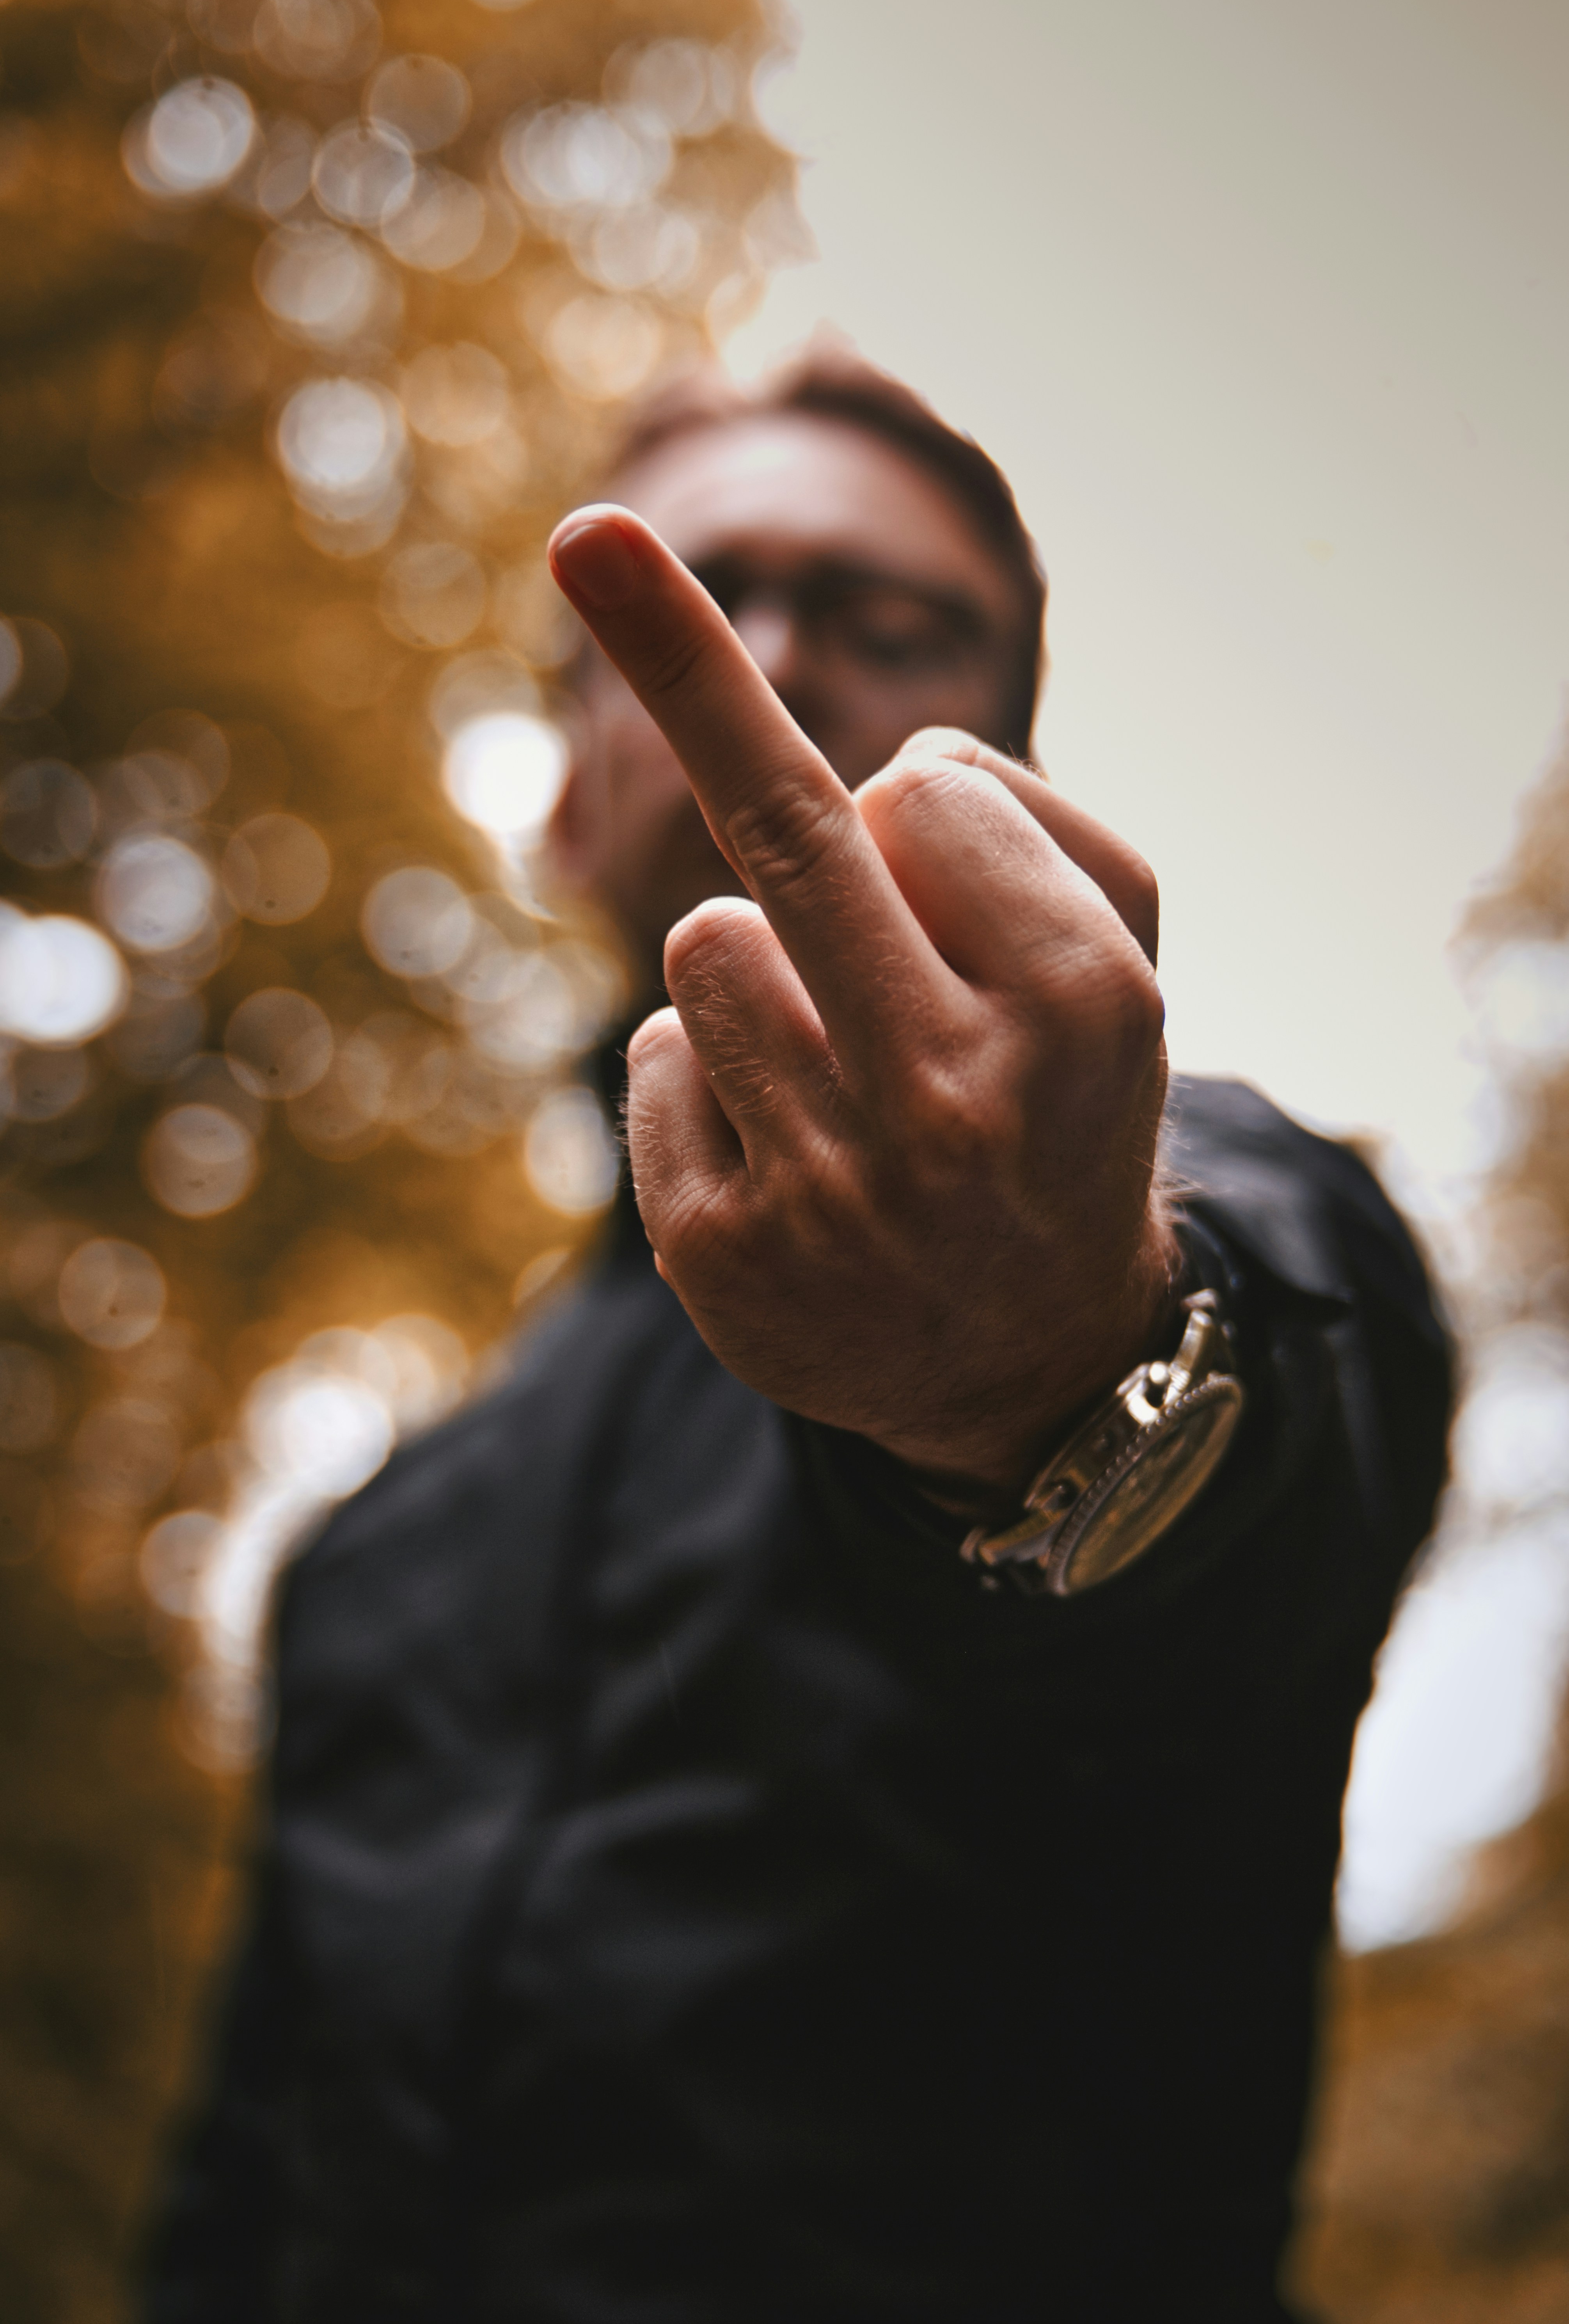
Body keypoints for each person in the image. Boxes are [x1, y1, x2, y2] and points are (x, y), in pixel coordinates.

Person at [144, 351, 1452, 2322]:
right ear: (573, 795)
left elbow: (1269, 1425)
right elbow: (233, 2189)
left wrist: (1048, 1373)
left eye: (886, 616)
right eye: (691, 598)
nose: (770, 653)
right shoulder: (370, 1557)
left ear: (1001, 749)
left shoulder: (1209, 1210)